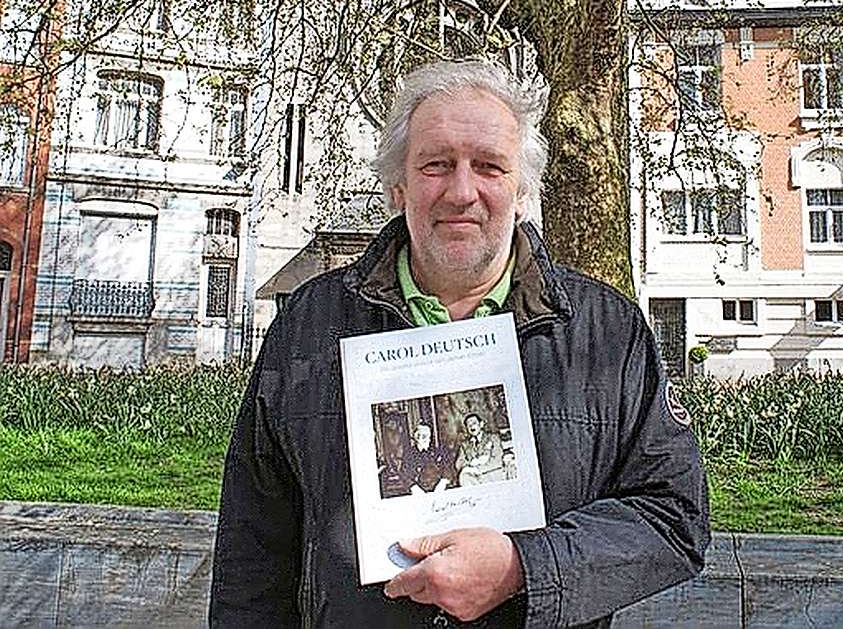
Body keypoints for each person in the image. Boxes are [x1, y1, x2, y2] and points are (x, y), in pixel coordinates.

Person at [210, 59, 710, 627]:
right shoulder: (307, 327)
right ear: (398, 187)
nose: (462, 191)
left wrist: (524, 566)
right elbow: (253, 554)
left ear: (522, 191)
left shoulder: (607, 333)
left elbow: (673, 518)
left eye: (490, 167)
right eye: (436, 165)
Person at [454, 413, 504, 486]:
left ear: (481, 424)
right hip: (474, 478)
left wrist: (477, 469)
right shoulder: (465, 445)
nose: (472, 427)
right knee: (464, 477)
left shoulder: (493, 438)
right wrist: (471, 463)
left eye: (474, 423)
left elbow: (498, 461)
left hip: (492, 476)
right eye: (469, 425)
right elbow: (458, 464)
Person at [402, 423, 452, 494]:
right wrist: (413, 487)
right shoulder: (409, 455)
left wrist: (442, 484)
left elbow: (448, 469)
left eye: (426, 434)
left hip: (439, 491)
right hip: (418, 493)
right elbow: (405, 475)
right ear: (415, 436)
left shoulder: (439, 452)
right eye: (420, 434)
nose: (423, 437)